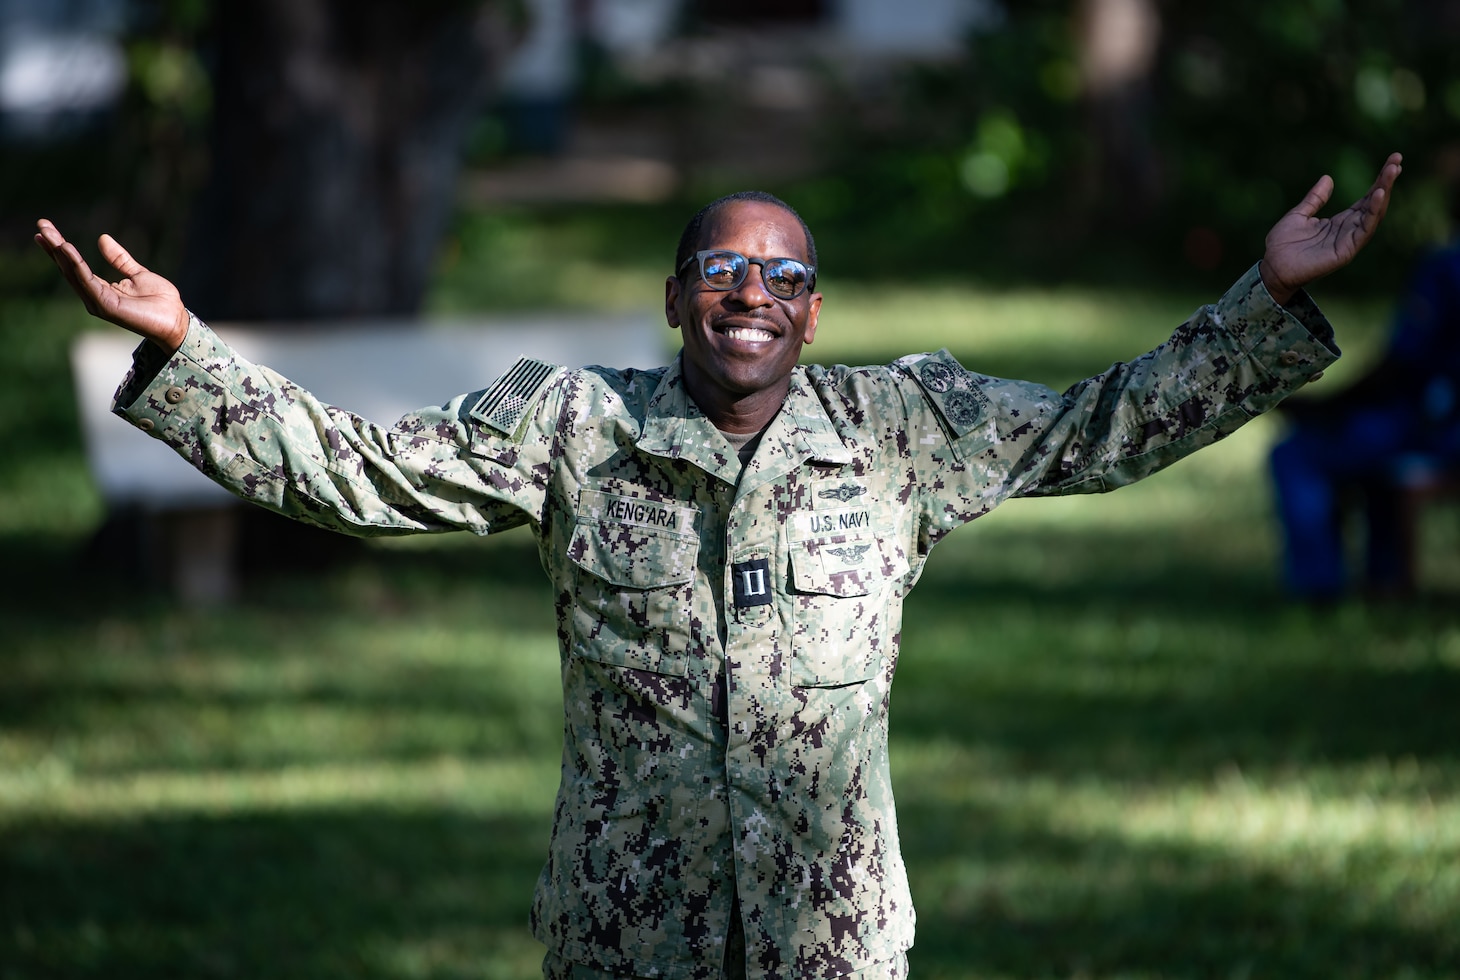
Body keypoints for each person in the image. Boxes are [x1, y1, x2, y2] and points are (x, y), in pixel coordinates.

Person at [35, 152, 1402, 980]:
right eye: (722, 267)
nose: (752, 291)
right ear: (679, 298)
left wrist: (1262, 301)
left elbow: (1100, 427)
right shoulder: (577, 428)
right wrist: (185, 355)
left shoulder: (894, 432)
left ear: (814, 312)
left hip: (833, 937)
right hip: (634, 935)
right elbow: (363, 473)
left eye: (783, 274)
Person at [1271, 185, 1460, 600]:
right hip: (1435, 423)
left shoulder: (1447, 267)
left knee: (1298, 453)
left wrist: (1324, 406)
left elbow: (1402, 364)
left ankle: (1317, 589)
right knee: (1375, 443)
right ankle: (1384, 577)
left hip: (1441, 430)